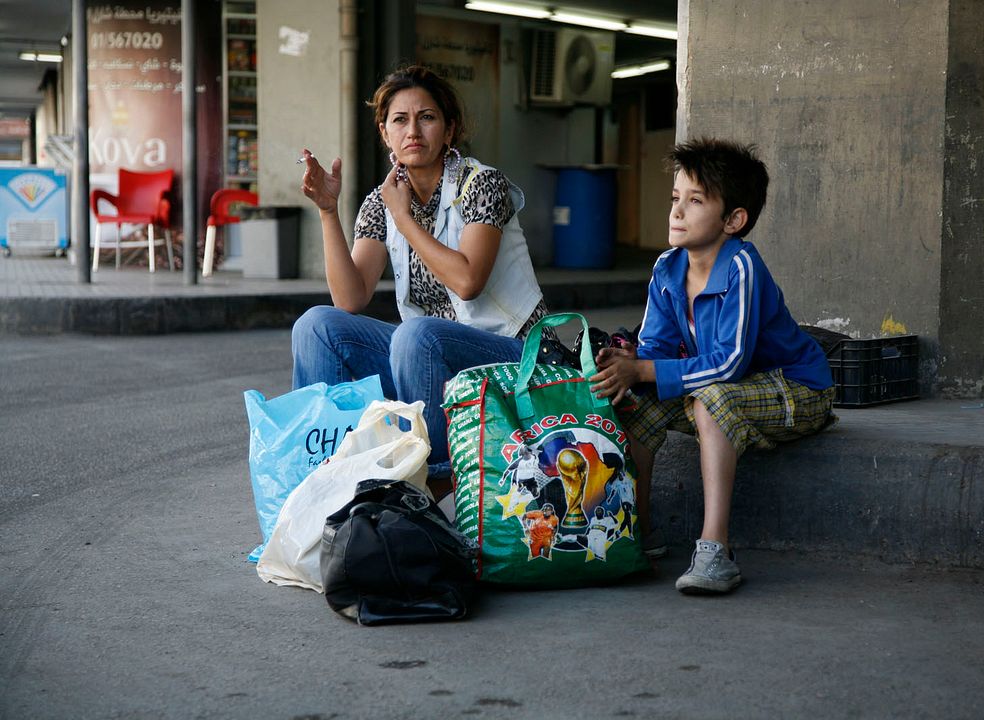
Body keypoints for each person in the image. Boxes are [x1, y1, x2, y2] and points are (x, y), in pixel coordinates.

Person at [588, 138, 835, 595]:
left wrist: (644, 370)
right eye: (675, 198)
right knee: (630, 404)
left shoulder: (741, 266)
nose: (677, 212)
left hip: (797, 388)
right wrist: (628, 366)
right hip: (728, 386)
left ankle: (715, 549)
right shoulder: (667, 267)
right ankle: (637, 536)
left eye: (695, 201)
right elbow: (656, 350)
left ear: (733, 220)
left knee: (710, 398)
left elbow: (730, 363)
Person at [293, 65, 553, 479]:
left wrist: (404, 217)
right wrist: (328, 211)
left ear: (449, 131)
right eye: (400, 119)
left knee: (416, 335)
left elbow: (468, 282)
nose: (413, 130)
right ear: (385, 133)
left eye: (427, 117)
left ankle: (429, 484)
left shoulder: (482, 184)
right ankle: (325, 480)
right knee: (318, 326)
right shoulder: (382, 201)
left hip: (513, 354)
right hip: (426, 357)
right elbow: (351, 297)